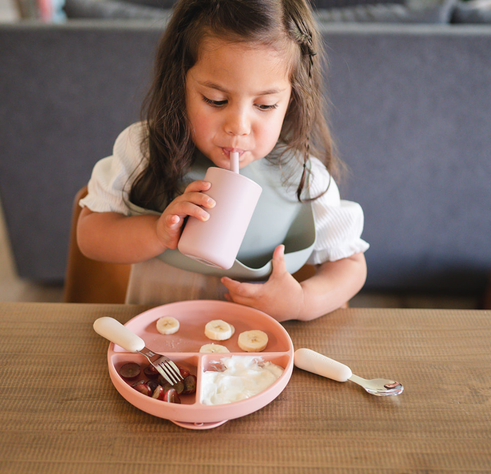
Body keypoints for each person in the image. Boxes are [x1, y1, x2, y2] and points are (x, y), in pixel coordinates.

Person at [77, 0, 369, 322]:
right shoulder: (144, 150)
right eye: (216, 100)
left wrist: (301, 301)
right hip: (158, 348)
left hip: (250, 357)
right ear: (180, 84)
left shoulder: (303, 177)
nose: (239, 126)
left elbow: (350, 266)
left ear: (293, 99)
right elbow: (91, 235)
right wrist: (157, 233)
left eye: (266, 105)